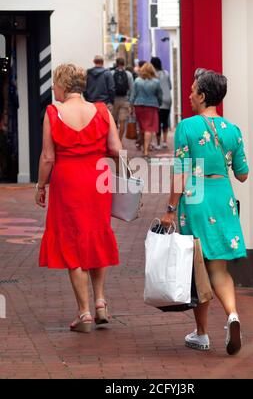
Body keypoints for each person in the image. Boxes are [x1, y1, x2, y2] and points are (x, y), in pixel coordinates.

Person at [161, 68, 249, 356]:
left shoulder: (186, 127)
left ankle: (201, 334)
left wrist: (171, 209)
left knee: (199, 268)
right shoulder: (233, 130)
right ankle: (233, 315)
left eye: (192, 90)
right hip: (223, 197)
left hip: (196, 199)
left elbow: (181, 171)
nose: (188, 94)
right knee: (219, 268)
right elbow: (243, 174)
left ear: (202, 95)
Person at [36, 64, 122, 334]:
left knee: (72, 240)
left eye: (54, 84)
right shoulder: (102, 111)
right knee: (96, 235)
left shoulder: (53, 113)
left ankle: (84, 313)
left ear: (63, 84)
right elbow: (117, 149)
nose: (53, 89)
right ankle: (100, 302)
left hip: (68, 180)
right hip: (98, 180)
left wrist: (41, 185)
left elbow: (48, 156)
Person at [130, 63, 163, 159]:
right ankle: (146, 151)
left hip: (138, 105)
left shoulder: (137, 81)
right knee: (149, 128)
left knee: (142, 128)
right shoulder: (156, 82)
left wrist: (131, 106)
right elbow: (159, 95)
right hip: (151, 106)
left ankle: (143, 146)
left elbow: (133, 94)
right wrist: (159, 103)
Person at [151, 57, 172, 150]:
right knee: (165, 121)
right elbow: (170, 86)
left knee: (158, 122)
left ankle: (158, 143)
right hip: (168, 99)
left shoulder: (153, 75)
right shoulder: (166, 73)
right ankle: (165, 142)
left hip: (158, 101)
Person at [112, 58, 134, 141]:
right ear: (124, 64)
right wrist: (130, 102)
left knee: (113, 122)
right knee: (122, 122)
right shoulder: (128, 74)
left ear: (116, 64)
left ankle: (114, 140)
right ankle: (120, 141)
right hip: (125, 100)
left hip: (114, 100)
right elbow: (132, 89)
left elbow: (110, 88)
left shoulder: (112, 73)